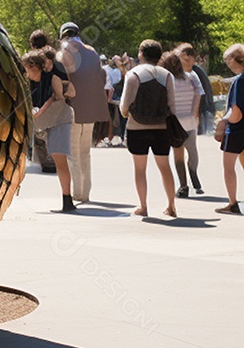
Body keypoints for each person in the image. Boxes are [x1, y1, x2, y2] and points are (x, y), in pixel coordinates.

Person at [120, 40, 178, 218]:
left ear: (140, 54)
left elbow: (124, 105)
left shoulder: (133, 74)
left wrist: (126, 115)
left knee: (140, 168)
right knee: (164, 166)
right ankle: (171, 205)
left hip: (137, 127)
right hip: (161, 127)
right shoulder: (167, 75)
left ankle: (143, 206)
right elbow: (172, 105)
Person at [58, 22, 110, 204]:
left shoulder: (64, 51)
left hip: (72, 108)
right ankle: (86, 192)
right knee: (85, 151)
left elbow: (62, 81)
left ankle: (77, 192)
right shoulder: (92, 52)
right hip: (90, 109)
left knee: (72, 151)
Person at [23, 52, 75, 211]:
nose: (26, 72)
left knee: (59, 158)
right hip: (44, 124)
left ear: (34, 66)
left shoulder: (52, 79)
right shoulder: (27, 83)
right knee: (55, 157)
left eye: (27, 68)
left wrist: (37, 113)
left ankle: (67, 200)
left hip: (60, 120)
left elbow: (57, 99)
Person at [162, 49, 202, 196]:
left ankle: (183, 186)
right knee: (192, 150)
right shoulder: (191, 76)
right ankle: (194, 176)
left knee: (178, 154)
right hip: (190, 120)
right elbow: (199, 93)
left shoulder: (166, 79)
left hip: (175, 122)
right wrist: (194, 112)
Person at [216, 43, 244, 215]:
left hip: (237, 130)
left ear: (234, 59)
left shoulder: (239, 81)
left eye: (227, 61)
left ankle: (232, 202)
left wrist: (223, 122)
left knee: (229, 167)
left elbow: (236, 112)